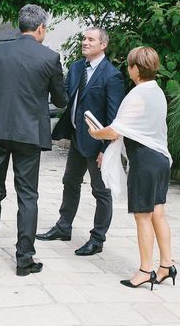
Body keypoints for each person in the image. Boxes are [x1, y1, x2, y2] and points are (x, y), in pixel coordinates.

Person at [0, 4, 68, 276]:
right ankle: (24, 260)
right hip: (29, 135)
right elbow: (60, 100)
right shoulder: (50, 58)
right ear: (40, 28)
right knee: (28, 197)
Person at [86, 46, 175, 290]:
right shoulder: (157, 91)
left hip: (144, 161)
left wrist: (96, 133)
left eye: (129, 65)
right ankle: (166, 265)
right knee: (158, 213)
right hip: (160, 158)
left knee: (143, 216)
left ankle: (146, 270)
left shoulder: (137, 94)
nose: (128, 69)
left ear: (136, 68)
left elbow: (116, 130)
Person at [38, 27, 125, 256]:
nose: (85, 42)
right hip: (77, 137)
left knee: (101, 192)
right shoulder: (77, 67)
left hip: (98, 144)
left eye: (90, 39)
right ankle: (63, 227)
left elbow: (114, 117)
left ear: (103, 45)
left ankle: (97, 239)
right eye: (84, 39)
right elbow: (63, 96)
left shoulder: (112, 75)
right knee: (70, 181)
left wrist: (106, 149)